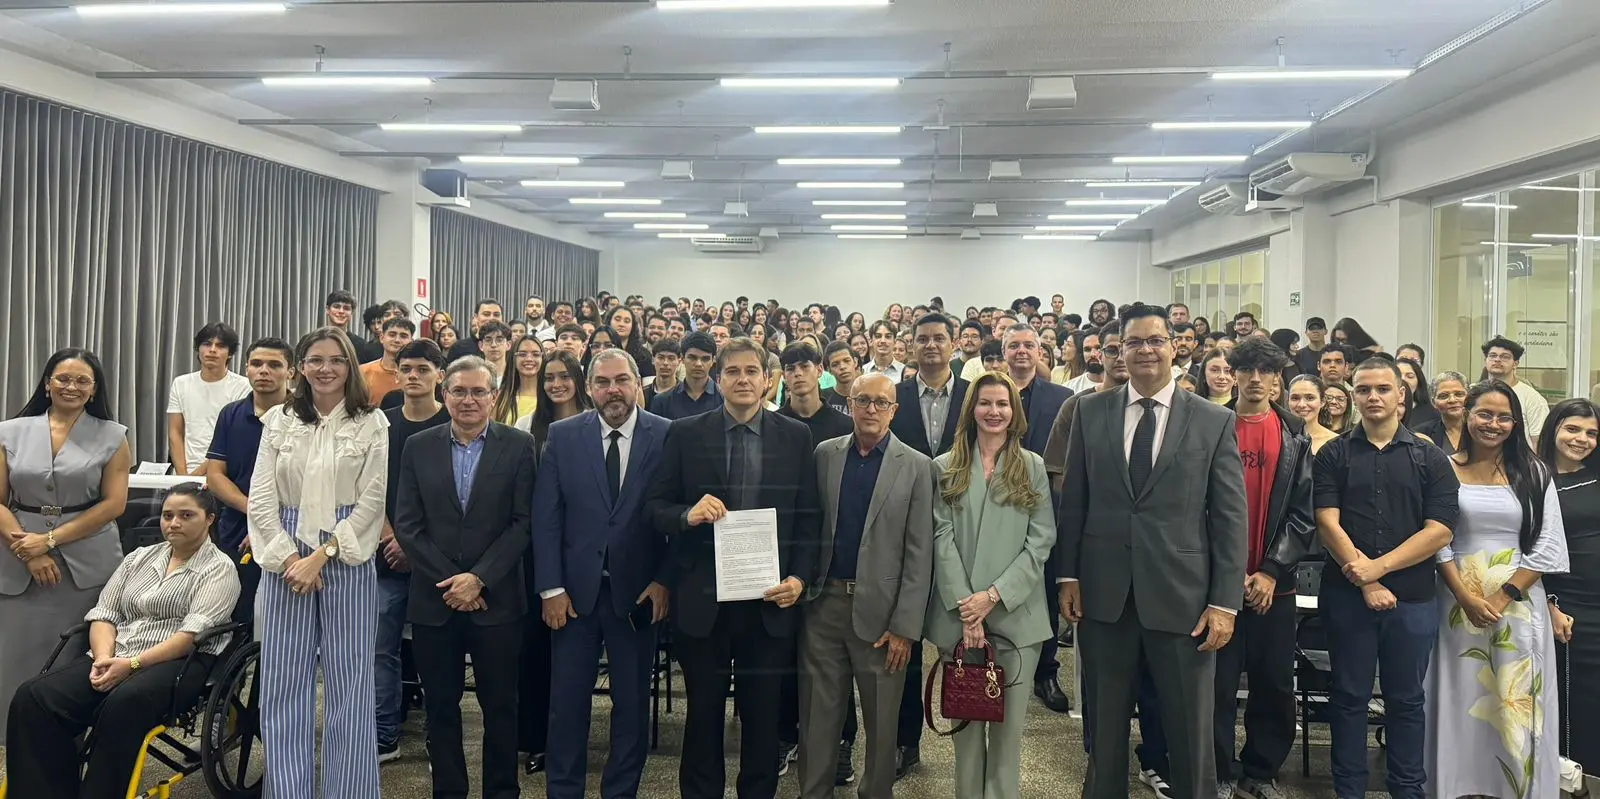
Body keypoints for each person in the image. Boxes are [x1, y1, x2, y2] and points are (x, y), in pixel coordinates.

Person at [1057, 303, 1249, 799]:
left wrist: (1225, 602)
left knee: (1190, 732)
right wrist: (1068, 576)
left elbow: (1230, 518)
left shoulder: (1211, 421)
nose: (1145, 350)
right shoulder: (1090, 412)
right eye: (1133, 342)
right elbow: (1074, 500)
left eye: (1155, 340)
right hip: (1104, 595)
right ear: (1117, 350)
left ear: (1175, 347)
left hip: (1184, 600)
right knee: (1104, 729)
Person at [643, 336, 821, 799]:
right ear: (717, 379)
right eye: (733, 372)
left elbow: (809, 519)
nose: (743, 380)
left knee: (762, 717)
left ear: (767, 380)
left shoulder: (795, 436)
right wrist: (687, 514)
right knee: (702, 714)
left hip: (769, 600)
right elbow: (656, 506)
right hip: (703, 600)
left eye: (752, 372)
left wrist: (800, 579)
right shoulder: (684, 433)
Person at [4, 483, 240, 797]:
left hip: (178, 661)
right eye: (168, 515)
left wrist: (131, 665)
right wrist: (103, 657)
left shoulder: (219, 569)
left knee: (123, 703)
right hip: (116, 652)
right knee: (33, 697)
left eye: (186, 515)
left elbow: (189, 636)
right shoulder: (138, 558)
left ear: (209, 519)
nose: (174, 523)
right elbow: (104, 613)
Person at [248, 327, 389, 799]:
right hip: (283, 556)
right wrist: (291, 557)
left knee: (350, 682)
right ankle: (287, 790)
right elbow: (262, 499)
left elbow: (373, 500)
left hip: (346, 554)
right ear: (300, 368)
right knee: (283, 682)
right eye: (315, 359)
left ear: (350, 366)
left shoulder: (373, 422)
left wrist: (323, 556)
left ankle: (347, 790)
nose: (325, 368)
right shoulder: (279, 420)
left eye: (336, 360)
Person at [1313, 357, 1460, 799]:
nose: (1373, 397)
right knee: (1349, 697)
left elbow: (1440, 530)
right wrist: (1367, 582)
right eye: (1363, 390)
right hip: (1346, 597)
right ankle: (1349, 790)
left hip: (1413, 598)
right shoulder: (1334, 452)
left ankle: (1408, 790)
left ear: (1401, 395)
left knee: (1406, 701)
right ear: (1352, 395)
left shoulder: (1430, 457)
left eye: (1382, 388)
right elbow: (1326, 522)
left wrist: (1378, 570)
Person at [392, 356, 537, 799]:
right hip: (435, 602)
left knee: (500, 707)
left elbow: (523, 522)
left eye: (478, 392)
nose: (468, 400)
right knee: (441, 706)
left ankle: (500, 791)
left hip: (498, 601)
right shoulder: (419, 446)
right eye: (459, 391)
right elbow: (408, 524)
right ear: (444, 394)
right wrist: (455, 582)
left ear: (494, 397)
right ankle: (449, 791)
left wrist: (479, 579)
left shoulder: (518, 445)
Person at [533, 348, 670, 799]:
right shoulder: (563, 435)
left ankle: (620, 792)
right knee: (567, 705)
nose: (613, 390)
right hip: (573, 597)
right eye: (603, 382)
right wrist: (550, 587)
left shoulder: (667, 436)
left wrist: (664, 579)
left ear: (638, 384)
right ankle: (565, 791)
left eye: (622, 380)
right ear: (589, 387)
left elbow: (676, 518)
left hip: (638, 596)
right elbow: (547, 518)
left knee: (631, 706)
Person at [1427, 378, 1568, 798]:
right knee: (1460, 697)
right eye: (1484, 414)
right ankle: (1456, 786)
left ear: (1516, 422)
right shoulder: (1441, 467)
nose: (1493, 423)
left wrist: (1504, 595)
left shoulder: (1536, 471)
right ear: (1466, 416)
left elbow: (1549, 545)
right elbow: (1438, 538)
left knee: (1517, 699)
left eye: (1504, 417)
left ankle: (1517, 787)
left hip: (1518, 602)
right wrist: (1465, 597)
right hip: (1455, 601)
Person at [798, 373, 934, 799]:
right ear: (849, 405)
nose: (871, 409)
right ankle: (814, 792)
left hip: (884, 615)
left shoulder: (916, 466)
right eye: (863, 401)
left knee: (881, 719)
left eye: (881, 402)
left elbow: (920, 554)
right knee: (819, 716)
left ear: (894, 410)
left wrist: (906, 627)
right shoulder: (824, 455)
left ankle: (876, 793)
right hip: (824, 605)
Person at [926, 371, 1057, 798]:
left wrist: (993, 597)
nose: (994, 411)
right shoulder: (944, 467)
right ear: (972, 410)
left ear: (1014, 411)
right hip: (958, 620)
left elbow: (1041, 541)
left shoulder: (1032, 466)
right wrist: (968, 607)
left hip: (1016, 620)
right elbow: (940, 537)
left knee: (1006, 736)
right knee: (966, 733)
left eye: (1002, 404)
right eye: (985, 403)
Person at [0, 349, 131, 747]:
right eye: (63, 378)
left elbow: (114, 505)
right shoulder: (10, 430)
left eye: (82, 381)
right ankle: (12, 740)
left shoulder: (113, 435)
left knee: (72, 656)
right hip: (17, 555)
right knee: (14, 656)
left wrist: (53, 540)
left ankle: (70, 742)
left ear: (93, 390)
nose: (71, 387)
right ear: (46, 383)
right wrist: (30, 549)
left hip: (87, 563)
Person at [1215, 339, 1315, 799]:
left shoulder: (1294, 432)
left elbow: (1302, 512)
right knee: (1214, 682)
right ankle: (1216, 769)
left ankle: (1260, 771)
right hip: (1219, 583)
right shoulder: (1211, 425)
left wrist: (1273, 570)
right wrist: (1228, 572)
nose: (1255, 379)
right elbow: (1195, 509)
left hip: (1275, 585)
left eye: (1265, 371)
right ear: (1233, 374)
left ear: (1278, 379)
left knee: (1273, 682)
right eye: (1246, 370)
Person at [374, 339, 450, 760]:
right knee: (380, 649)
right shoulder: (380, 424)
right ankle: (385, 733)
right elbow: (369, 489)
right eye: (407, 369)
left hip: (437, 559)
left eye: (424, 368)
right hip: (385, 555)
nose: (414, 376)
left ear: (440, 374)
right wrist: (392, 537)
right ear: (397, 374)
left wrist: (413, 546)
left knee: (435, 652)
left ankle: (440, 731)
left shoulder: (451, 423)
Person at [999, 322, 1074, 713]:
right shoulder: (991, 394)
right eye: (1014, 346)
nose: (1022, 351)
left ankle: (1045, 670)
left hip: (1046, 508)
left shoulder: (1063, 398)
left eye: (1029, 345)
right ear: (1004, 353)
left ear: (1040, 352)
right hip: (997, 508)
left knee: (1044, 590)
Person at [1538, 398, 1597, 777]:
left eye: (1592, 433)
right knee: (1573, 703)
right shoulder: (1532, 477)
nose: (1582, 439)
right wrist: (1549, 604)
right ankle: (1570, 782)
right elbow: (1525, 548)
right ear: (1554, 428)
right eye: (1573, 429)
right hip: (1567, 606)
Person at [205, 338, 295, 555]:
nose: (264, 371)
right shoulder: (230, 414)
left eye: (274, 365)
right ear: (246, 369)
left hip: (291, 527)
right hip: (236, 525)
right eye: (256, 364)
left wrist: (269, 524)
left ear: (290, 372)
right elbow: (215, 476)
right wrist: (256, 514)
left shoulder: (305, 416)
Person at [167, 322, 251, 476]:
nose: (212, 350)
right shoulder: (181, 383)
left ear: (230, 353)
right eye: (206, 344)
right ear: (198, 349)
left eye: (220, 346)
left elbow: (232, 440)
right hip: (184, 472)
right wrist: (182, 476)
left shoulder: (243, 387)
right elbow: (175, 432)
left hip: (223, 473)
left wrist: (196, 476)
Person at [1482, 336, 1551, 444]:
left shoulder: (1532, 398)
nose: (1497, 359)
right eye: (1492, 356)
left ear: (1515, 364)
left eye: (1505, 357)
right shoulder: (1475, 392)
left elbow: (1539, 442)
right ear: (1485, 361)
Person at [518, 350, 593, 449]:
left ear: (578, 379)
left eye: (565, 377)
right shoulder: (525, 425)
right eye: (549, 378)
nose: (556, 384)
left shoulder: (594, 421)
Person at [649, 332, 722, 421]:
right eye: (692, 357)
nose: (698, 364)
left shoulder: (725, 400)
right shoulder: (662, 402)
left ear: (713, 360)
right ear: (682, 358)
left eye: (705, 359)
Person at [358, 316, 415, 405]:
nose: (397, 340)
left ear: (411, 341)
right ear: (382, 338)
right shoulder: (362, 372)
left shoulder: (416, 375)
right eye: (392, 335)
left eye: (403, 336)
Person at [1413, 372, 1469, 456]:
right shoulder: (1421, 433)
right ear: (1433, 402)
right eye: (1444, 396)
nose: (1452, 400)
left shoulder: (1480, 429)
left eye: (1459, 394)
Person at [492, 336, 542, 426]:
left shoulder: (550, 395)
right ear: (513, 358)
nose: (529, 359)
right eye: (523, 354)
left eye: (535, 354)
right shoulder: (501, 397)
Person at [1284, 374, 1338, 454]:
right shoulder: (1278, 438)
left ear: (1322, 401)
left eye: (1310, 398)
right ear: (1288, 401)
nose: (1301, 405)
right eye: (1295, 398)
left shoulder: (1336, 442)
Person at [1395, 357, 1439, 430]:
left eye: (1410, 376)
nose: (1403, 379)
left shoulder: (1433, 415)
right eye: (1398, 375)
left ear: (1419, 381)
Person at [821, 340, 860, 415]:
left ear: (855, 362)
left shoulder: (869, 395)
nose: (842, 367)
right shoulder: (822, 398)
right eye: (835, 364)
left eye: (846, 361)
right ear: (829, 370)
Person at [1063, 330, 1105, 394]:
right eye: (1087, 350)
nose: (1092, 354)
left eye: (1098, 348)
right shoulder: (1069, 388)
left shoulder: (1122, 385)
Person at [644, 338, 681, 407]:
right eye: (661, 358)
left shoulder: (686, 393)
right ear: (653, 360)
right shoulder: (643, 394)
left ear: (679, 362)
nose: (665, 363)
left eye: (671, 358)